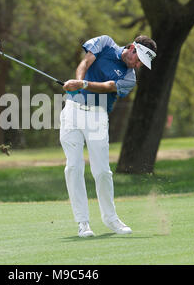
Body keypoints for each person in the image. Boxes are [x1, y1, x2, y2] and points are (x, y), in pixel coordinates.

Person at [60, 35, 157, 237]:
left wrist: (82, 85)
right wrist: (78, 82)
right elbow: (86, 62)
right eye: (138, 59)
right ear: (132, 48)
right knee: (74, 166)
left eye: (141, 63)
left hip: (97, 115)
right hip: (72, 111)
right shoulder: (105, 43)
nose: (137, 65)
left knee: (102, 171)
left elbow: (108, 87)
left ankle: (111, 218)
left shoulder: (130, 77)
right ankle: (83, 223)